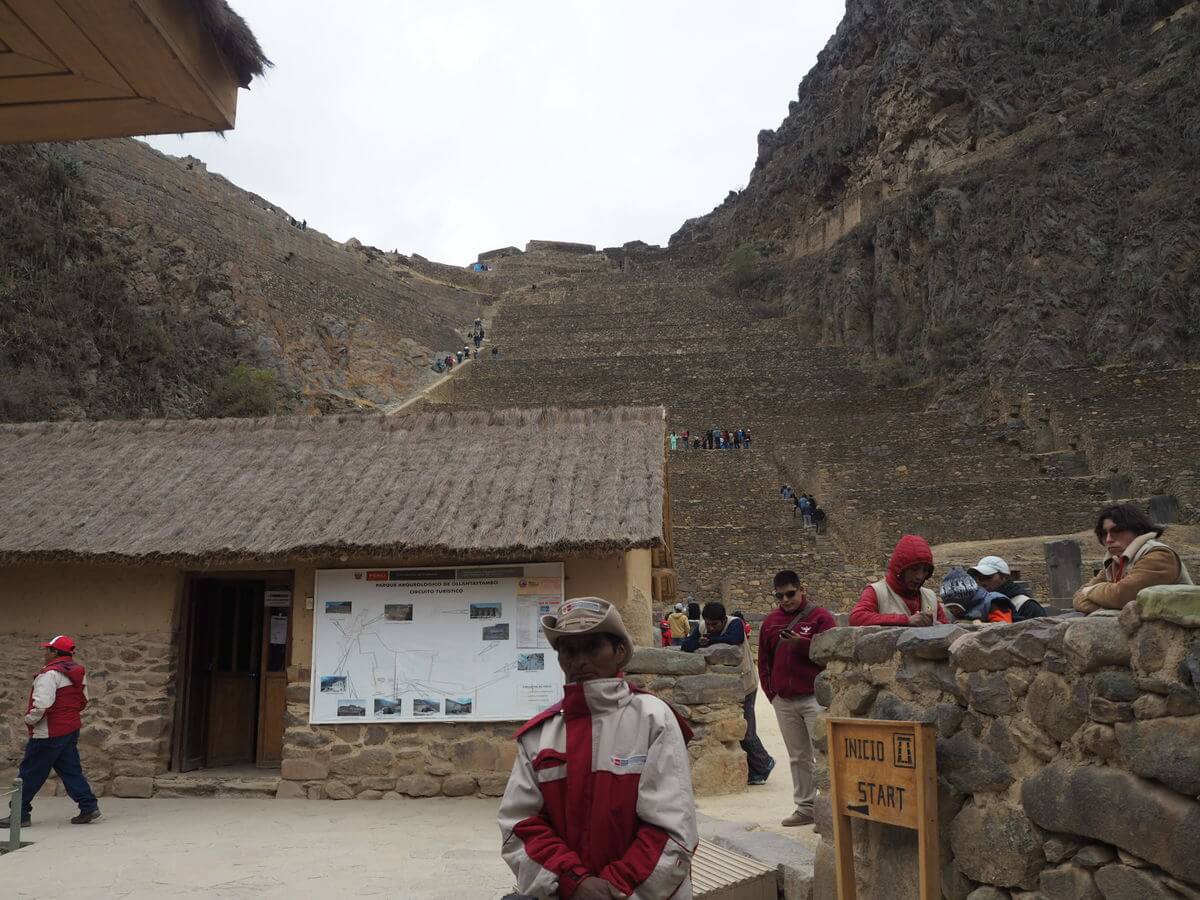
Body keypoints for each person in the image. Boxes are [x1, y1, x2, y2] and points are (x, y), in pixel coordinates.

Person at [499, 597, 697, 899]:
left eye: (593, 647)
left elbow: (672, 828)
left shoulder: (653, 719)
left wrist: (614, 888)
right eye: (568, 650)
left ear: (620, 652)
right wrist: (573, 882)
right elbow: (520, 823)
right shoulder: (538, 736)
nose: (579, 661)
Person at [759, 571, 836, 826]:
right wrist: (772, 694)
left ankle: (828, 812)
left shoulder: (821, 618)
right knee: (798, 756)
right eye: (779, 596)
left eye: (790, 594)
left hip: (814, 697)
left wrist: (802, 645)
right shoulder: (770, 622)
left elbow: (831, 653)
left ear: (801, 589)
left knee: (824, 754)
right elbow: (764, 661)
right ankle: (806, 808)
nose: (786, 600)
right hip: (785, 700)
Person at [1, 636, 101, 829]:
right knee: (70, 769)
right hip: (70, 729)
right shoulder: (77, 673)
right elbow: (82, 701)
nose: (44, 653)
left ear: (55, 653)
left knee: (30, 772)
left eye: (47, 650)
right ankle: (88, 806)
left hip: (48, 732)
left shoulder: (48, 674)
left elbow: (42, 705)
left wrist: (29, 720)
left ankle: (19, 814)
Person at [683, 602, 775, 786]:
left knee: (747, 731)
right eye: (707, 624)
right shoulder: (703, 627)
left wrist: (708, 640)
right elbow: (686, 645)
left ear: (723, 620)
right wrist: (699, 640)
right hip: (726, 688)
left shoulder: (734, 623)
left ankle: (764, 763)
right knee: (733, 729)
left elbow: (734, 638)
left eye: (714, 625)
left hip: (746, 683)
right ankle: (757, 768)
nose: (710, 628)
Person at [1073, 503, 1193, 613]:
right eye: (1104, 534)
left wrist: (1089, 592)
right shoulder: (1115, 560)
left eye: (1117, 531)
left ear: (1138, 530)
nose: (1109, 539)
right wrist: (1115, 607)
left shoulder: (1159, 555)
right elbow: (1078, 599)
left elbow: (1121, 595)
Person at [850, 535, 949, 626]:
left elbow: (946, 629)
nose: (920, 576)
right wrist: (905, 620)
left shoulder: (930, 598)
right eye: (914, 569)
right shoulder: (877, 592)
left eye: (925, 570)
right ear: (901, 569)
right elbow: (857, 618)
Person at [967, 556, 1046, 621]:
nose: (983, 582)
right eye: (979, 578)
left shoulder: (1027, 606)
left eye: (988, 577)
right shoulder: (978, 604)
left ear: (1004, 577)